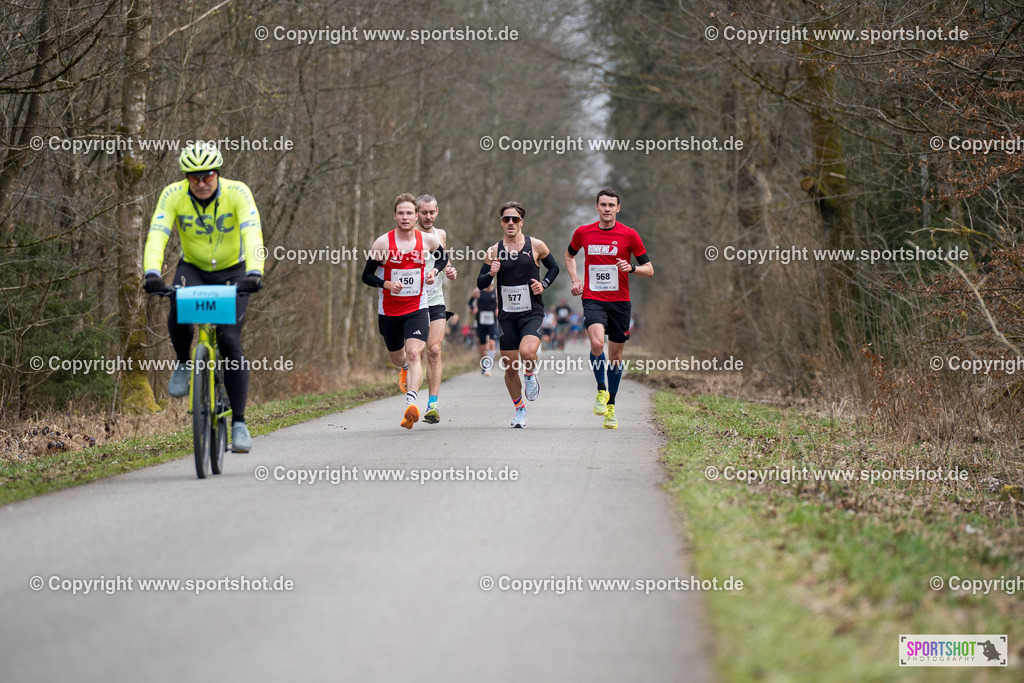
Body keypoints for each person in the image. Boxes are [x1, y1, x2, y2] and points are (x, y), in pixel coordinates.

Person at [142, 143, 265, 452]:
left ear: (217, 174)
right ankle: (184, 362)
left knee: (230, 341)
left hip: (235, 271)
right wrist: (151, 272)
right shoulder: (173, 195)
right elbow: (158, 232)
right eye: (193, 177)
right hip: (194, 268)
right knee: (178, 304)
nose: (200, 183)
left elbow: (252, 232)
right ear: (186, 177)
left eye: (206, 176)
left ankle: (238, 423)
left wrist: (254, 272)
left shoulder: (237, 192)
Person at [564, 188, 653, 429]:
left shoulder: (629, 235)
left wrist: (631, 268)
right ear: (597, 207)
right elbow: (569, 255)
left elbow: (649, 269)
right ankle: (601, 390)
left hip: (620, 302)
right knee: (595, 344)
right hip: (593, 299)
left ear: (617, 208)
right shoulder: (583, 232)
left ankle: (612, 405)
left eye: (611, 205)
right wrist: (575, 279)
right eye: (603, 204)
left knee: (615, 356)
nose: (607, 209)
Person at [362, 192, 445, 429]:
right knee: (398, 358)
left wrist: (434, 272)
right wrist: (385, 283)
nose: (406, 217)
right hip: (389, 310)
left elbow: (442, 259)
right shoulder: (383, 243)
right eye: (401, 213)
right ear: (394, 216)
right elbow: (366, 276)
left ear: (416, 216)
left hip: (417, 307)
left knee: (415, 353)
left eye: (410, 213)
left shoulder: (428, 241)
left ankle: (412, 403)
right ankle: (405, 370)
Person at [478, 201, 559, 428]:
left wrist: (543, 284)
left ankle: (531, 375)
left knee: (527, 352)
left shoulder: (536, 245)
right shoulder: (494, 251)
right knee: (510, 366)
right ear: (501, 223)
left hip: (532, 311)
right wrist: (490, 273)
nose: (510, 223)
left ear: (521, 222)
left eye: (515, 219)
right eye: (506, 219)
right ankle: (520, 410)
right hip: (506, 315)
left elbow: (554, 268)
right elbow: (481, 282)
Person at [415, 194, 457, 424]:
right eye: (424, 212)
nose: (428, 217)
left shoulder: (440, 235)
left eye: (432, 212)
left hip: (435, 299)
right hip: (411, 302)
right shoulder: (405, 236)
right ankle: (405, 368)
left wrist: (450, 270)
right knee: (413, 353)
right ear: (416, 213)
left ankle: (432, 405)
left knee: (434, 350)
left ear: (437, 212)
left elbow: (443, 260)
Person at [471, 285, 498, 375]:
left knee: (492, 342)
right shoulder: (478, 291)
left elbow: (501, 304)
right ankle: (484, 364)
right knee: (482, 346)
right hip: (481, 321)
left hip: (492, 321)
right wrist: (473, 309)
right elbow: (470, 303)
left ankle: (489, 365)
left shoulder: (496, 292)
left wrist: (498, 309)